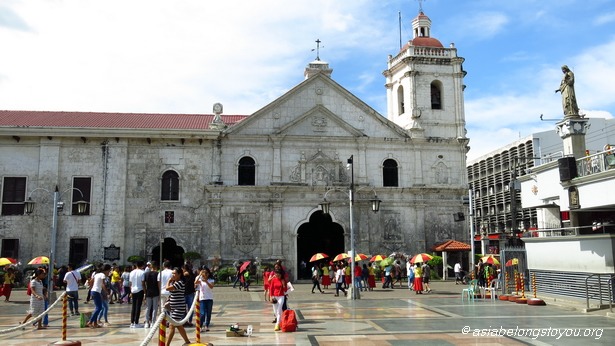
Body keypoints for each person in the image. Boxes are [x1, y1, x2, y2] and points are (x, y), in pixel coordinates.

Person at [166, 268, 191, 345]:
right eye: (172, 273)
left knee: (172, 325)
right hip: (174, 307)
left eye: (174, 273)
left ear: (179, 274)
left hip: (178, 308)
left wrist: (168, 281)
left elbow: (167, 288)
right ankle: (187, 341)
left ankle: (167, 344)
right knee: (178, 325)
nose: (173, 275)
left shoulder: (179, 283)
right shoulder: (176, 282)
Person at [87, 264, 111, 328]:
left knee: (97, 308)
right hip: (96, 292)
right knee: (99, 308)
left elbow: (91, 281)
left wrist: (91, 287)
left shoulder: (97, 274)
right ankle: (90, 322)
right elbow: (103, 285)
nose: (109, 273)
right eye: (109, 271)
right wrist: (107, 292)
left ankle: (95, 323)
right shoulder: (103, 275)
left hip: (94, 291)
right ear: (106, 270)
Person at [195, 267, 214, 332]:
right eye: (203, 273)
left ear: (208, 274)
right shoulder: (200, 280)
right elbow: (195, 282)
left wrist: (206, 281)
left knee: (208, 313)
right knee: (202, 313)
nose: (204, 274)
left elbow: (211, 287)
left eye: (205, 273)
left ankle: (207, 325)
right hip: (202, 298)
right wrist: (199, 275)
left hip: (209, 298)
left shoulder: (211, 280)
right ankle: (200, 326)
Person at [143, 261, 160, 329]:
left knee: (148, 308)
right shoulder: (157, 274)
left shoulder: (146, 274)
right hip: (155, 291)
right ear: (156, 266)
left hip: (148, 292)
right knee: (155, 308)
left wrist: (145, 292)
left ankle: (147, 322)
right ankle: (153, 322)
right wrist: (159, 292)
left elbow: (144, 283)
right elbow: (159, 284)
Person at [129, 261, 145, 328]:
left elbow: (130, 283)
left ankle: (132, 322)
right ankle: (136, 322)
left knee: (133, 306)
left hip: (133, 290)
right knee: (138, 306)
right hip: (140, 290)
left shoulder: (132, 272)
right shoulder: (142, 272)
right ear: (142, 265)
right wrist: (145, 292)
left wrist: (131, 291)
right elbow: (143, 283)